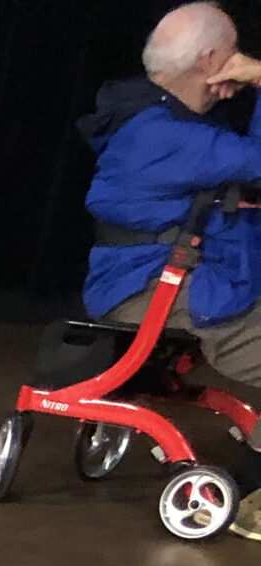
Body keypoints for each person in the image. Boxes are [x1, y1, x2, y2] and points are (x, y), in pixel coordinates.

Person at [83, 4, 261, 532]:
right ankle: (251, 492)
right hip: (161, 286)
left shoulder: (161, 122)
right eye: (234, 53)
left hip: (193, 277)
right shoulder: (160, 133)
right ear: (211, 59)